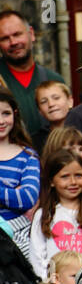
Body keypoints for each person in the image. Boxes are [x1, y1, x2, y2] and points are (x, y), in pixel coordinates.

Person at [27, 149, 82, 282]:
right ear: (51, 181)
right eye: (65, 176)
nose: (73, 182)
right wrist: (50, 281)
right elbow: (36, 258)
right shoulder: (43, 214)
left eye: (78, 175)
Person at [0, 8, 65, 139]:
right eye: (5, 38)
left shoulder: (54, 80)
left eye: (17, 34)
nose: (13, 42)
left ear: (31, 34)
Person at [0, 88, 39, 238]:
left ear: (15, 114)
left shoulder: (28, 156)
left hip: (19, 236)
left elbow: (28, 197)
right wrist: (11, 192)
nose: (1, 121)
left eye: (6, 113)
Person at [32, 79, 73, 155]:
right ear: (40, 110)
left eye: (56, 98)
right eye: (44, 102)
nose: (51, 104)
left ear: (70, 101)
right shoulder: (36, 141)